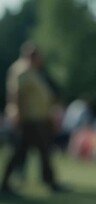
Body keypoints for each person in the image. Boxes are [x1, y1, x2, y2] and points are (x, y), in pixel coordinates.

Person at [1, 43, 64, 193]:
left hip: (38, 119)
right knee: (25, 152)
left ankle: (49, 181)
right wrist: (15, 112)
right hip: (29, 120)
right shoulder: (21, 70)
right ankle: (49, 182)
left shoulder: (33, 71)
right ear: (32, 56)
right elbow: (15, 94)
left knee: (34, 151)